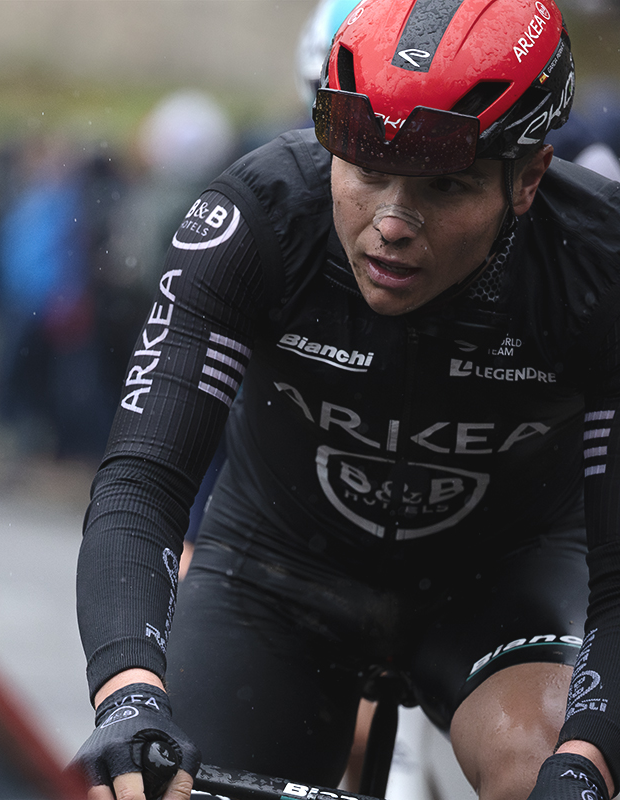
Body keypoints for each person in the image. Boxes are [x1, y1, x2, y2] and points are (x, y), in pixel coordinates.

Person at [71, 4, 620, 800]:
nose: (392, 222)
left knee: (545, 771)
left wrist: (589, 760)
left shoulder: (597, 266)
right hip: (276, 573)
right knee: (143, 782)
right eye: (365, 170)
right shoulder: (257, 219)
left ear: (528, 178)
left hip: (506, 583)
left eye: (445, 185)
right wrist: (127, 699)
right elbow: (140, 484)